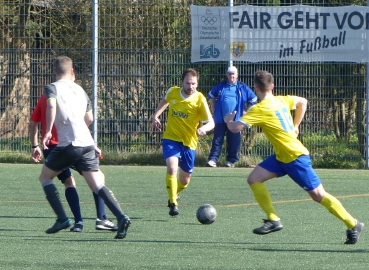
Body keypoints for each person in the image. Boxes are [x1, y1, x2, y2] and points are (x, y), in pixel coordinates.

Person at [224, 70, 363, 244]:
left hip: (295, 157)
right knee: (254, 178)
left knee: (319, 195)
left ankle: (353, 224)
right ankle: (273, 219)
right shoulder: (281, 100)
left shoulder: (259, 109)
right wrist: (295, 125)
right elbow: (302, 102)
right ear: (272, 86)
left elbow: (235, 128)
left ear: (256, 88)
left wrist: (229, 119)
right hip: (282, 157)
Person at [38, 56, 130, 239]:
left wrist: (48, 130)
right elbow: (89, 119)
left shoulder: (52, 88)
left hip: (69, 144)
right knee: (97, 184)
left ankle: (62, 218)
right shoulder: (81, 90)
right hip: (87, 144)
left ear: (55, 71)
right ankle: (121, 217)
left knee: (45, 178)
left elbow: (50, 106)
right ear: (72, 71)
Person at [30, 92, 118, 233]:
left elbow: (33, 122)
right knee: (97, 179)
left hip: (52, 148)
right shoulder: (71, 96)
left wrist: (35, 146)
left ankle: (78, 222)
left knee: (68, 182)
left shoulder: (44, 97)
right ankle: (101, 218)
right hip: (73, 145)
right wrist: (91, 144)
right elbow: (85, 120)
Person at [152, 68, 214, 216]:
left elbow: (211, 123)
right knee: (172, 168)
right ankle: (173, 203)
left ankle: (175, 192)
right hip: (171, 139)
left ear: (197, 83)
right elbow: (165, 101)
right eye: (188, 83)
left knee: (185, 181)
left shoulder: (200, 99)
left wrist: (204, 129)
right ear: (182, 82)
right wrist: (156, 115)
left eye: (193, 83)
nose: (190, 86)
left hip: (189, 143)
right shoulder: (173, 92)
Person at [207, 66, 257, 168]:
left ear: (237, 75)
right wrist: (213, 107)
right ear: (227, 75)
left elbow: (253, 99)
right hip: (220, 118)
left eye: (233, 74)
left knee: (234, 140)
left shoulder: (242, 87)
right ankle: (213, 160)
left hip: (235, 120)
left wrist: (247, 112)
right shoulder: (221, 86)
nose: (231, 76)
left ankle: (231, 161)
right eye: (230, 74)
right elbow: (211, 95)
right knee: (217, 139)